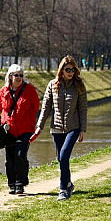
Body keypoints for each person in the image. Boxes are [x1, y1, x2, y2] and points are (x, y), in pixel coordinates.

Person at [32, 56, 88, 201]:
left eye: (73, 70)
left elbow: (83, 109)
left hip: (73, 127)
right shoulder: (53, 85)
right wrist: (39, 126)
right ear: (61, 70)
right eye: (67, 69)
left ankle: (63, 189)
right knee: (61, 159)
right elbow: (46, 107)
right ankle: (68, 184)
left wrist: (83, 129)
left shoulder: (79, 86)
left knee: (64, 156)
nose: (70, 72)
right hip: (56, 128)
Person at [0, 64, 40, 195]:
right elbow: (1, 109)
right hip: (9, 130)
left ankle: (20, 183)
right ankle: (12, 184)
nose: (19, 78)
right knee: (10, 158)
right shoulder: (3, 92)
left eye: (21, 75)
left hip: (25, 129)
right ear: (10, 76)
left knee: (20, 155)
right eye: (16, 75)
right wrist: (6, 122)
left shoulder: (30, 90)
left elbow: (36, 107)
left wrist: (30, 122)